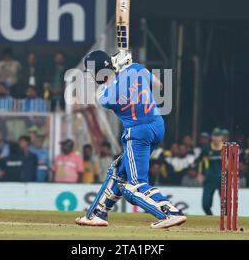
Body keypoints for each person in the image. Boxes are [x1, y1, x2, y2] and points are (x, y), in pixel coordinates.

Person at [75, 50, 186, 229]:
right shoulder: (135, 68)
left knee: (134, 186)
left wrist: (120, 70)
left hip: (138, 134)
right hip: (157, 125)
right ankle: (96, 214)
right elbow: (159, 86)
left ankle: (169, 212)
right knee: (119, 171)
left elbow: (112, 87)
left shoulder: (104, 96)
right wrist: (127, 67)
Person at [197, 128, 224, 215]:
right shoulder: (206, 148)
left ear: (222, 137)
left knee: (226, 204)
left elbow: (233, 163)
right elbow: (200, 162)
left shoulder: (226, 148)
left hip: (223, 178)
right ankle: (210, 217)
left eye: (218, 136)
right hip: (209, 178)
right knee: (205, 204)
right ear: (212, 137)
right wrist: (200, 174)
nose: (216, 138)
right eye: (215, 136)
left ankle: (225, 219)